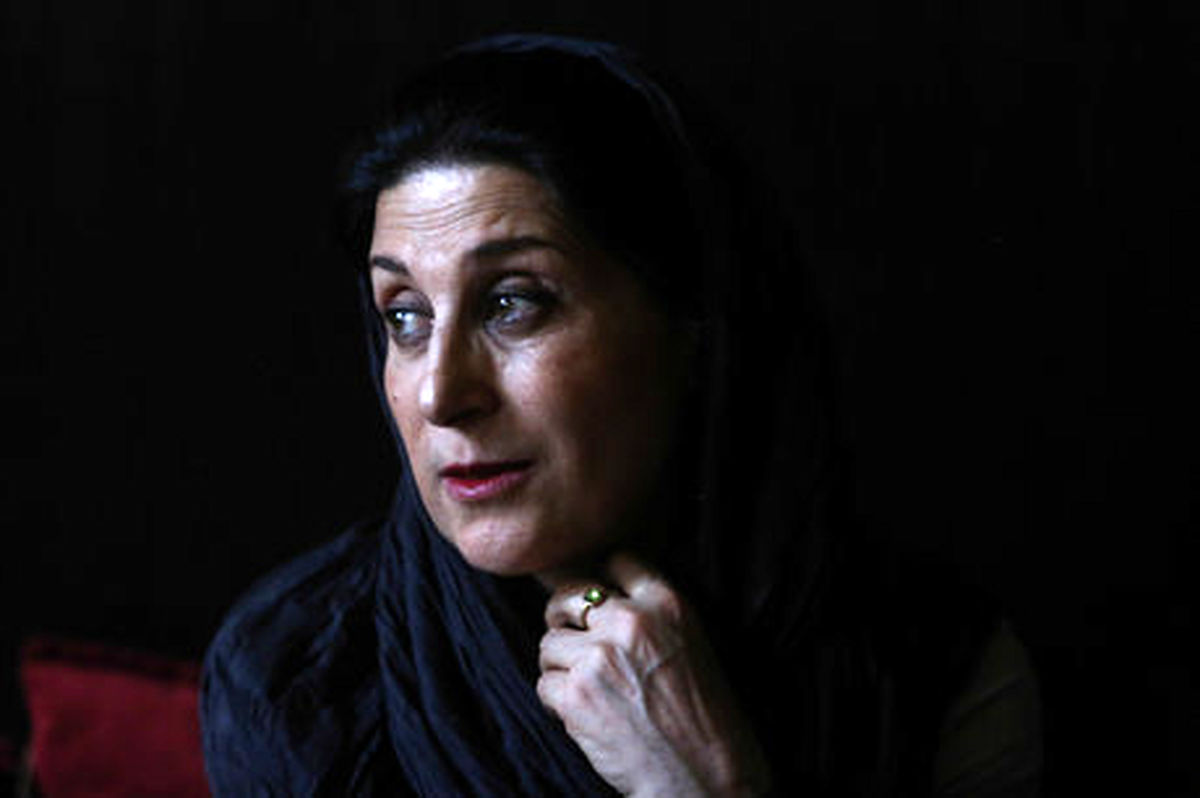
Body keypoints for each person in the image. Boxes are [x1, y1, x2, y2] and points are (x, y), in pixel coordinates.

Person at [201, 34, 1042, 796]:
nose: (440, 394)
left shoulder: (930, 672)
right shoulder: (302, 677)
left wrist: (702, 785)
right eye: (406, 317)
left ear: (694, 326)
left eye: (513, 303)